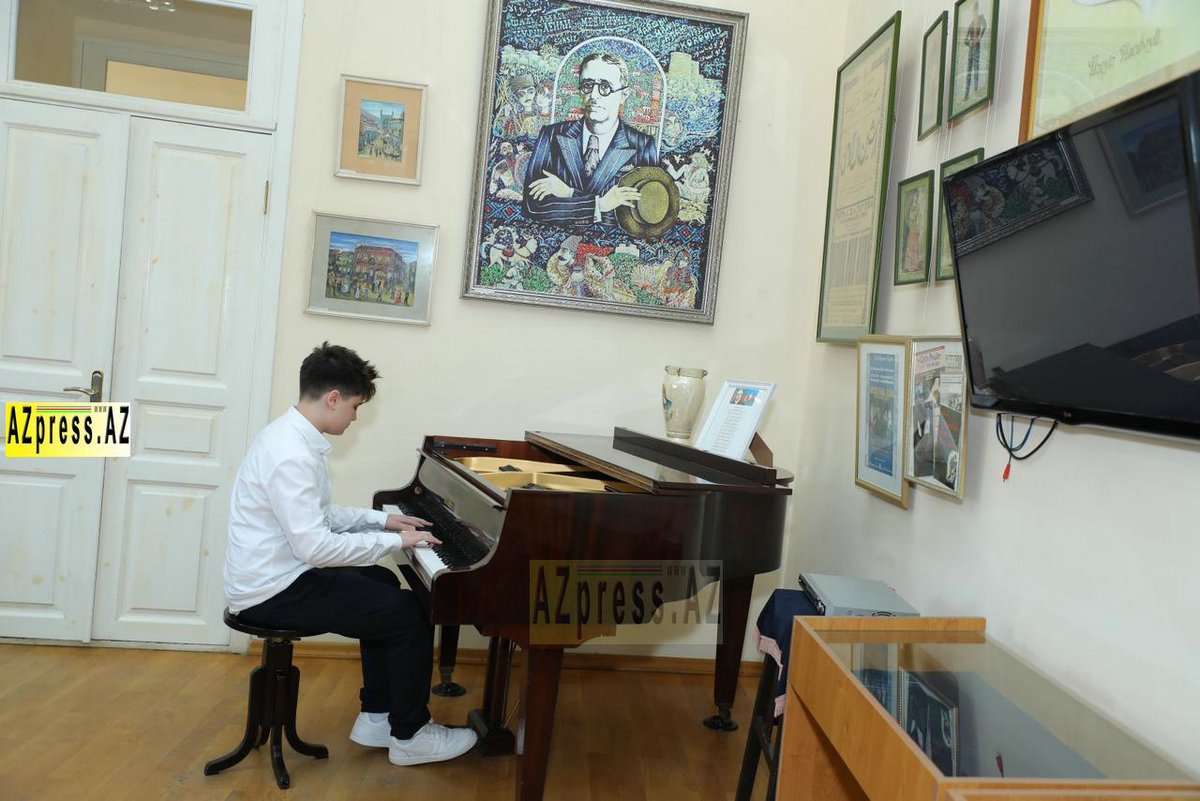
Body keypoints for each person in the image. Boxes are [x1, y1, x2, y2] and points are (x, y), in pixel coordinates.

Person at [223, 342, 477, 767]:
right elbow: (316, 546)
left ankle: (377, 715)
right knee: (407, 614)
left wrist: (383, 522)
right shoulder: (291, 455)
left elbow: (319, 516)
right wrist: (397, 542)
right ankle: (411, 735)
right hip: (270, 591)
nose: (355, 417)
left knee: (381, 581)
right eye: (355, 407)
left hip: (279, 574)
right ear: (333, 398)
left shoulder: (290, 437)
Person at [523, 51, 659, 229]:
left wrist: (569, 194)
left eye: (605, 87)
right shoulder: (552, 135)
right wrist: (600, 205)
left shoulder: (642, 144)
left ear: (624, 95)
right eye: (587, 85)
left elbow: (648, 215)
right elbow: (533, 206)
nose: (594, 95)